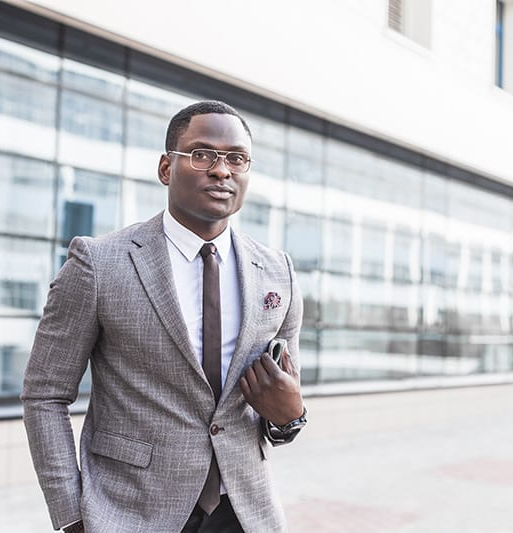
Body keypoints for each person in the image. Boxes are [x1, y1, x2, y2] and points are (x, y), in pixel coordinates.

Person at [22, 100, 307, 533]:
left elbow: (278, 410)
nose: (221, 170)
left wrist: (291, 417)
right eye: (203, 154)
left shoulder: (278, 272)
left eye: (237, 159)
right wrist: (72, 517)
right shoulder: (99, 264)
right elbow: (45, 395)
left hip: (245, 513)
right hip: (130, 513)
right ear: (165, 168)